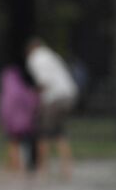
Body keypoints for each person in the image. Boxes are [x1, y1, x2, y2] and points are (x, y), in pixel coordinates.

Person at [25, 38, 79, 177]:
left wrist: (31, 94)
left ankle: (42, 168)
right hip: (69, 96)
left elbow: (44, 82)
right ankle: (67, 168)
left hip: (55, 98)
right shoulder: (51, 55)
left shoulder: (36, 58)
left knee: (43, 133)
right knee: (59, 133)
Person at [0, 64, 39, 173]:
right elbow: (32, 102)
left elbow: (3, 111)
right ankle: (25, 166)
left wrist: (4, 123)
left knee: (13, 144)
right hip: (25, 123)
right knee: (26, 144)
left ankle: (14, 166)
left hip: (11, 125)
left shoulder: (5, 94)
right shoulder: (22, 89)